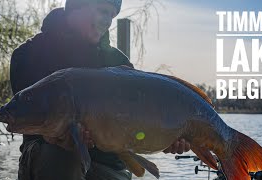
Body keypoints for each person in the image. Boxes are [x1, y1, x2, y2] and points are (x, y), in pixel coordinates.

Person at [10, 0, 190, 179]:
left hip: (109, 163)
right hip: (46, 157)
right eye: (103, 11)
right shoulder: (28, 54)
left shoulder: (117, 61)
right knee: (60, 154)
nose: (107, 21)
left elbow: (138, 130)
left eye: (112, 16)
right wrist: (53, 137)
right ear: (77, 6)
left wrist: (167, 136)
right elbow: (25, 117)